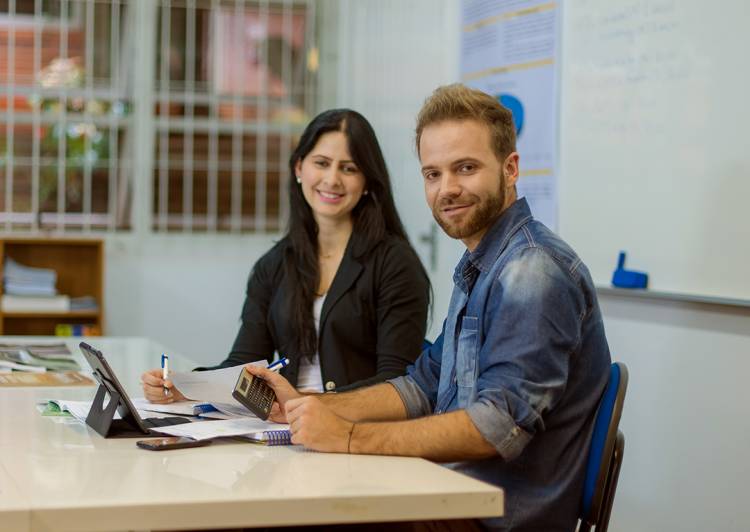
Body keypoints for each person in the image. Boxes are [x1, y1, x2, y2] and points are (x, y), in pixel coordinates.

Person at [246, 84, 612, 531]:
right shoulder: (481, 265)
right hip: (448, 497)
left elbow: (497, 426)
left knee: (285, 516)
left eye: (466, 168)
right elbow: (421, 385)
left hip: (490, 520)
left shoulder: (531, 271)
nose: (447, 189)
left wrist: (349, 436)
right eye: (433, 174)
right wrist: (307, 403)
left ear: (511, 168)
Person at [141, 109, 430, 401]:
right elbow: (244, 364)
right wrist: (184, 387)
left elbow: (398, 382)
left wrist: (303, 401)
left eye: (349, 168)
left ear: (367, 181)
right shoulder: (274, 265)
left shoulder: (395, 264)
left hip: (355, 422)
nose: (332, 179)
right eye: (322, 163)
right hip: (283, 420)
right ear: (299, 168)